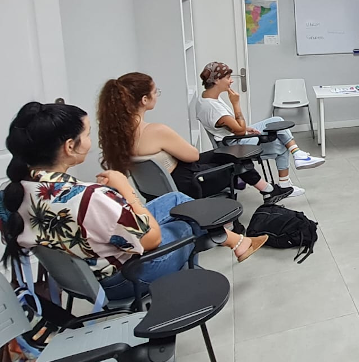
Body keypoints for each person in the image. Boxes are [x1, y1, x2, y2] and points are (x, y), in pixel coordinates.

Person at [2, 102, 266, 302]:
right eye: (87, 134)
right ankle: (196, 282)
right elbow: (151, 240)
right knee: (190, 223)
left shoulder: (19, 190)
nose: (90, 142)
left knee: (175, 199)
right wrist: (125, 188)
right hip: (124, 278)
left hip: (89, 265)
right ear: (70, 146)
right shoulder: (90, 197)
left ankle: (236, 242)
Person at [97, 72, 295, 204]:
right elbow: (191, 155)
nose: (157, 95)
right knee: (235, 159)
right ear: (144, 100)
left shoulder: (117, 135)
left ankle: (268, 190)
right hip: (188, 182)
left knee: (226, 151)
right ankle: (268, 191)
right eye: (154, 91)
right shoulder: (156, 131)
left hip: (160, 186)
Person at [196, 62, 324, 195]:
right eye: (228, 77)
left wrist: (247, 129)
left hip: (231, 137)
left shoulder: (206, 98)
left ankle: (295, 158)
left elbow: (229, 126)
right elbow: (239, 130)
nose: (231, 80)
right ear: (216, 80)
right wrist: (236, 103)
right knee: (281, 139)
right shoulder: (213, 108)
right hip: (234, 143)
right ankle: (295, 161)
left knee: (279, 128)